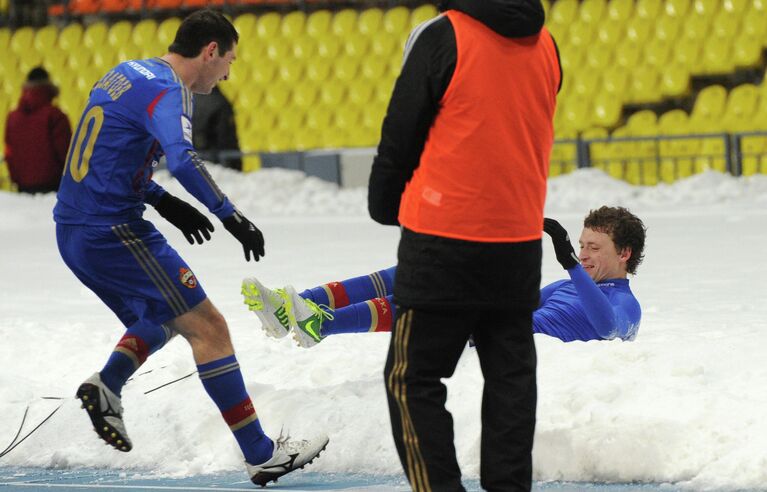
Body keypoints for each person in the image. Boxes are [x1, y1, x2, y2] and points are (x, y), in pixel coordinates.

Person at [53, 10, 327, 486]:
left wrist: (162, 203)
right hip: (113, 232)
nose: (228, 74)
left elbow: (107, 154)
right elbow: (183, 158)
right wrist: (230, 216)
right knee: (210, 329)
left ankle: (107, 385)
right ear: (210, 51)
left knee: (160, 320)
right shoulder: (169, 91)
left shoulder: (124, 72)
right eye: (229, 62)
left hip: (74, 230)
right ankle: (262, 455)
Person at [369, 0, 558, 489]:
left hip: (443, 239)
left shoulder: (444, 35)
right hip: (517, 238)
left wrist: (384, 203)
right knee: (511, 380)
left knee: (411, 379)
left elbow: (401, 131)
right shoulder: (546, 46)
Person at [241, 207, 646, 347]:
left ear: (623, 254)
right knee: (420, 273)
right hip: (498, 328)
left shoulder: (624, 303)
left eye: (595, 248)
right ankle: (303, 307)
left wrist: (570, 265)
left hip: (502, 341)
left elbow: (608, 329)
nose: (585, 253)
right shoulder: (566, 287)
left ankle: (321, 323)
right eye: (582, 245)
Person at [4, 66, 72, 193]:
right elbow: (66, 153)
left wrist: (16, 178)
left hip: (22, 188)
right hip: (52, 188)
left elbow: (9, 153)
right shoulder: (56, 116)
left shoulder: (12, 117)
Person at [192, 86, 242, 170]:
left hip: (192, 160)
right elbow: (226, 140)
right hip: (215, 162)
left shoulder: (183, 97)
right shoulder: (218, 101)